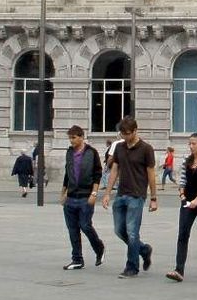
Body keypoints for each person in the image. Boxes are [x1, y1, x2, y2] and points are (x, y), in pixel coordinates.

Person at [101, 116, 158, 278]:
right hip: (121, 194)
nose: (125, 137)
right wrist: (107, 193)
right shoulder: (119, 148)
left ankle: (132, 267)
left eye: (128, 134)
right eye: (122, 134)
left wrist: (153, 197)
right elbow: (114, 170)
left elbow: (151, 174)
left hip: (137, 195)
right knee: (119, 230)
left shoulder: (146, 149)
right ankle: (144, 249)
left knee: (132, 232)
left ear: (135, 131)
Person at [167, 132, 197, 282]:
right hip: (187, 202)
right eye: (189, 143)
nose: (191, 146)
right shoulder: (186, 161)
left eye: (194, 143)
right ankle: (179, 269)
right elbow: (182, 180)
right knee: (183, 233)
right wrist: (182, 195)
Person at [59, 125, 105, 270]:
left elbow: (98, 173)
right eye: (70, 138)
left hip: (86, 196)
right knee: (72, 229)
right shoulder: (69, 152)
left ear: (81, 137)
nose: (71, 141)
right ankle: (77, 259)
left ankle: (99, 247)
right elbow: (68, 173)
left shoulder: (91, 152)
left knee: (85, 225)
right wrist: (63, 192)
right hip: (71, 196)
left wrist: (94, 193)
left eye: (73, 138)